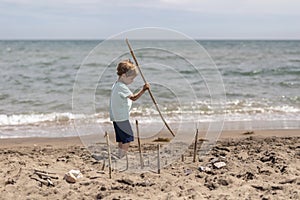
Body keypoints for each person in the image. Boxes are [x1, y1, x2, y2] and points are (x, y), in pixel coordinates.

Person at [109, 59, 150, 157]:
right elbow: (134, 98)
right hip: (122, 118)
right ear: (123, 76)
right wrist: (143, 90)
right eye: (131, 79)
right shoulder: (122, 87)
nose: (132, 81)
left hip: (116, 117)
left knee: (121, 139)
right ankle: (122, 156)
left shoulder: (115, 85)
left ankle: (120, 154)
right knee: (127, 138)